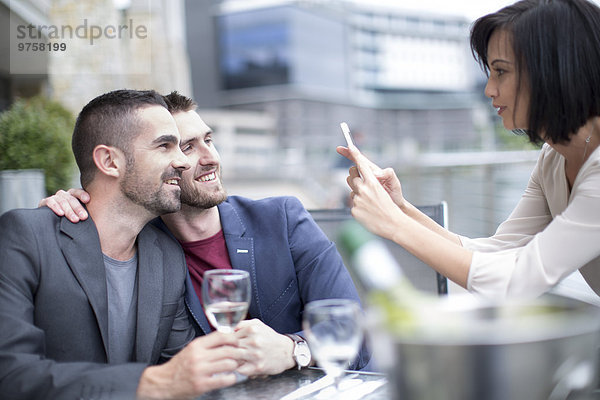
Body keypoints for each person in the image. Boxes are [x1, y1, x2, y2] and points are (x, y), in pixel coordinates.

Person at [41, 92, 370, 375]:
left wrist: (291, 350)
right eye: (185, 147)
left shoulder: (281, 219)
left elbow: (355, 335)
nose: (211, 158)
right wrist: (76, 210)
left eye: (209, 141)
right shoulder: (142, 249)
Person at [337, 0, 600, 303]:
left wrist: (394, 225)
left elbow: (515, 281)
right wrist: (399, 210)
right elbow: (493, 255)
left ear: (552, 70)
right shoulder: (553, 159)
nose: (489, 89)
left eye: (500, 71)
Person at [0, 89, 247, 400]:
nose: (183, 161)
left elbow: (180, 373)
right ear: (109, 161)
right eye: (165, 146)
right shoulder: (26, 236)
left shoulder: (167, 255)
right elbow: (10, 375)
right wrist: (154, 383)